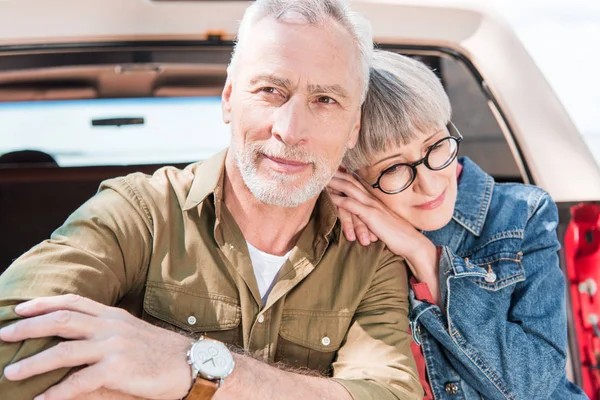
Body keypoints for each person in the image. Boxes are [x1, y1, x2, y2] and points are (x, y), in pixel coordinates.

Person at [0, 2, 423, 400]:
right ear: (228, 99)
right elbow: (8, 347)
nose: (291, 130)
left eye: (325, 100)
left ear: (354, 128)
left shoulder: (369, 253)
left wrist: (191, 367)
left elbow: (387, 393)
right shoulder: (140, 211)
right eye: (271, 90)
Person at [328, 49, 588, 399]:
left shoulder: (521, 213)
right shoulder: (342, 231)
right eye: (394, 169)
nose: (431, 184)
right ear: (352, 179)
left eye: (435, 147)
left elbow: (533, 385)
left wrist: (428, 260)